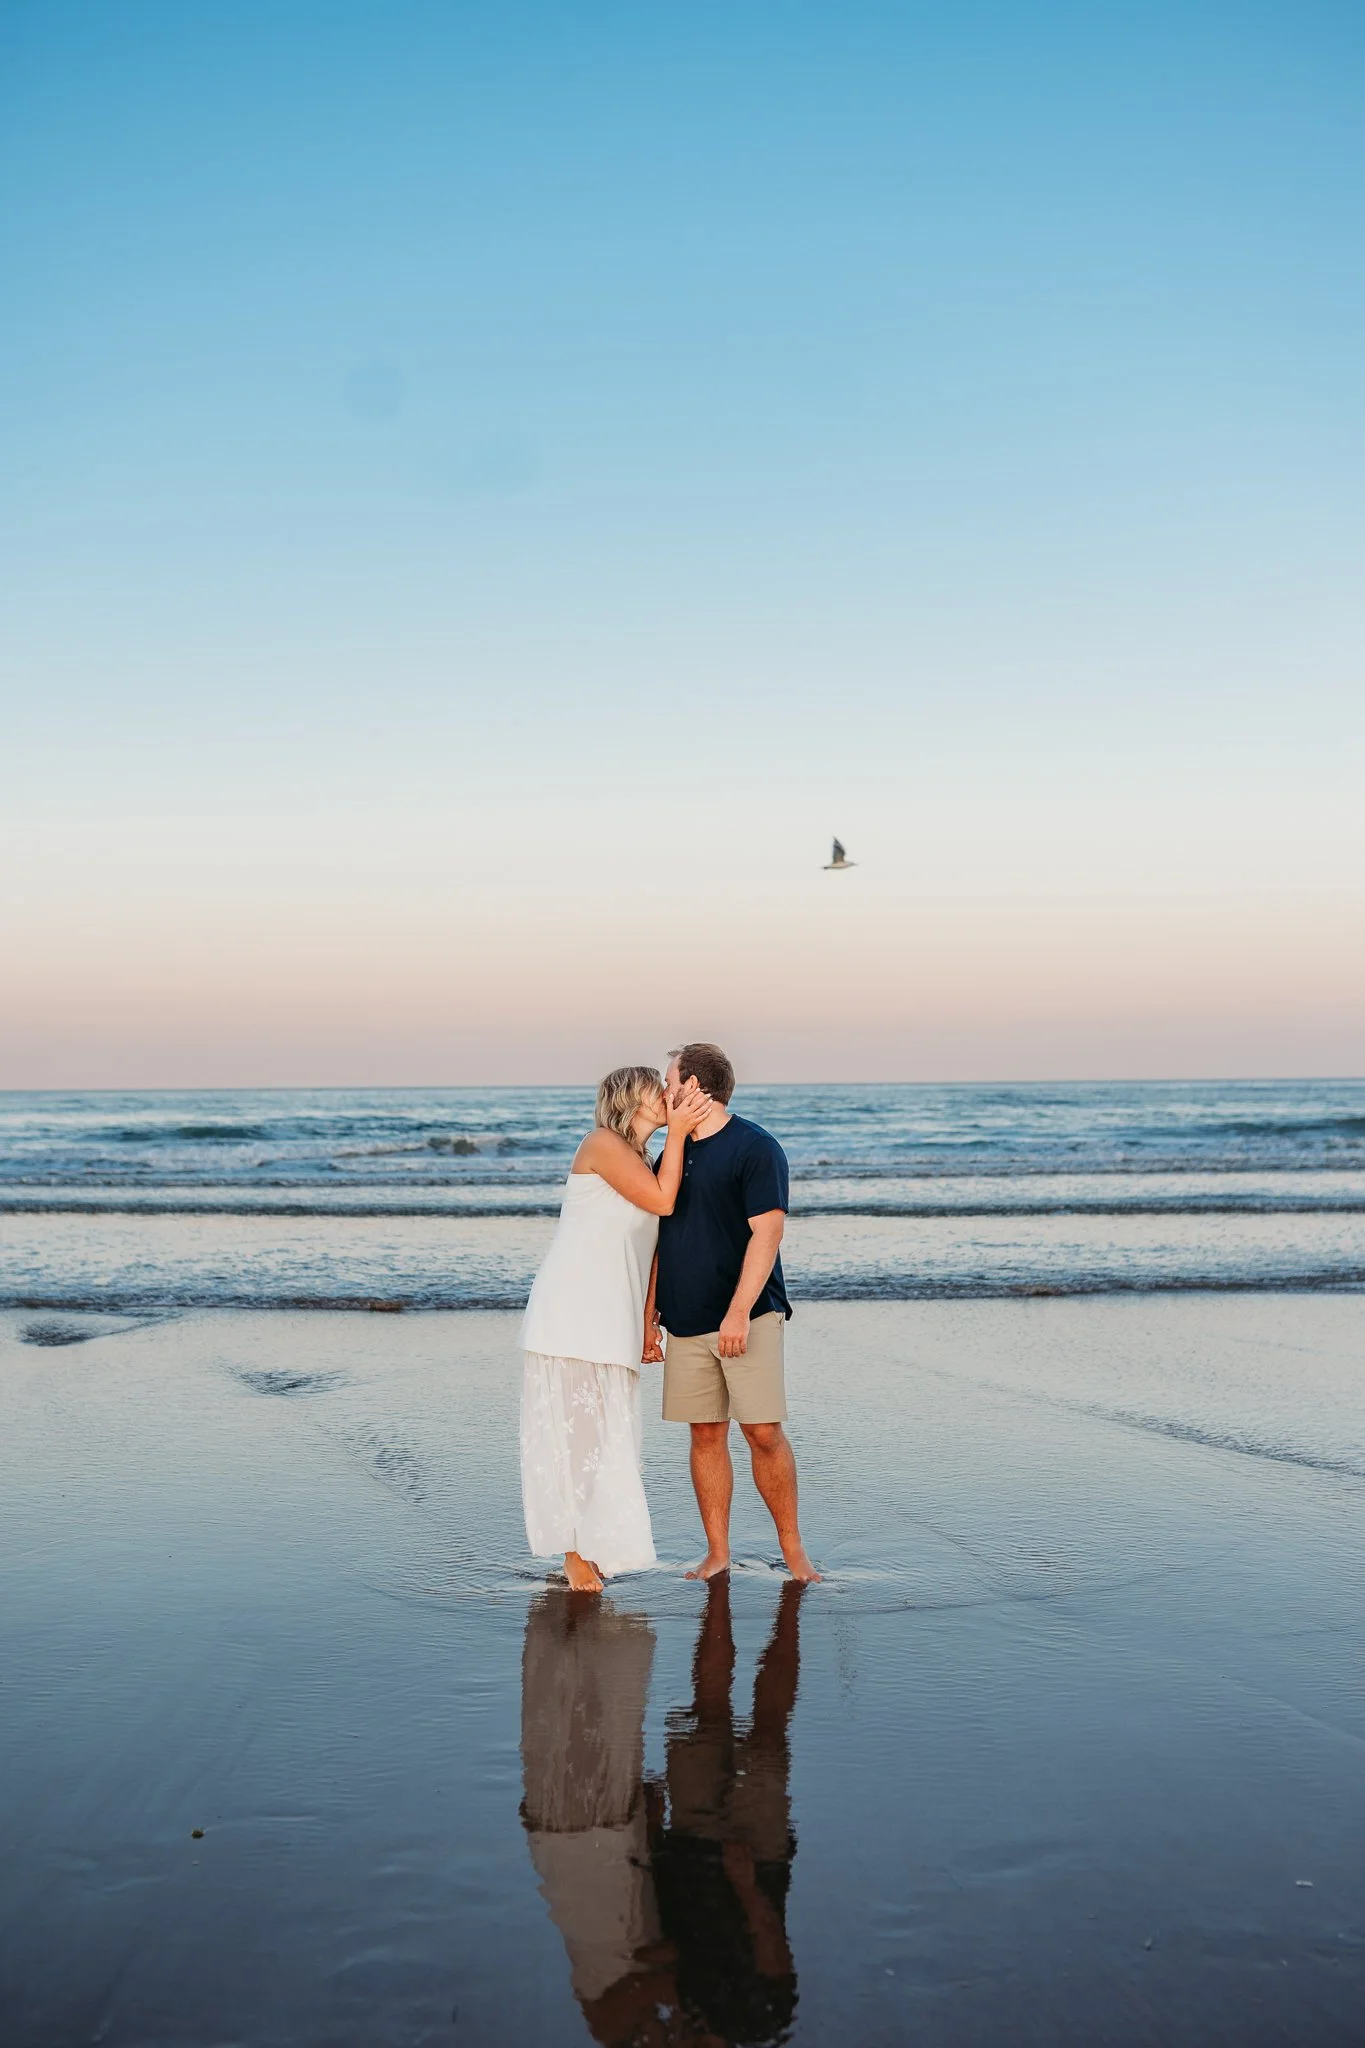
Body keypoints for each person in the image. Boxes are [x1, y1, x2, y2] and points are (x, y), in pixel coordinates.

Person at [520, 1065, 711, 1593]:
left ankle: (593, 1545)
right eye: (659, 1089)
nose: (668, 1096)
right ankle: (573, 1553)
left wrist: (650, 1321)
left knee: (608, 1434)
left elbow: (651, 1250)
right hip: (573, 1309)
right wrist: (678, 1133)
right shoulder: (601, 1144)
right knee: (577, 1437)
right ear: (631, 1097)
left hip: (616, 1313)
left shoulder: (646, 1160)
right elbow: (664, 1203)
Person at [648, 1042, 819, 1582]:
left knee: (763, 1432)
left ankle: (794, 1554)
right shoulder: (671, 1152)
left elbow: (767, 1234)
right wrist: (649, 1315)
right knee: (704, 1433)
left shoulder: (756, 1147)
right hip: (685, 1317)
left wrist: (739, 1311)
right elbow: (656, 1237)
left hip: (747, 1314)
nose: (663, 1091)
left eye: (669, 1081)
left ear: (694, 1086)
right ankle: (718, 1552)